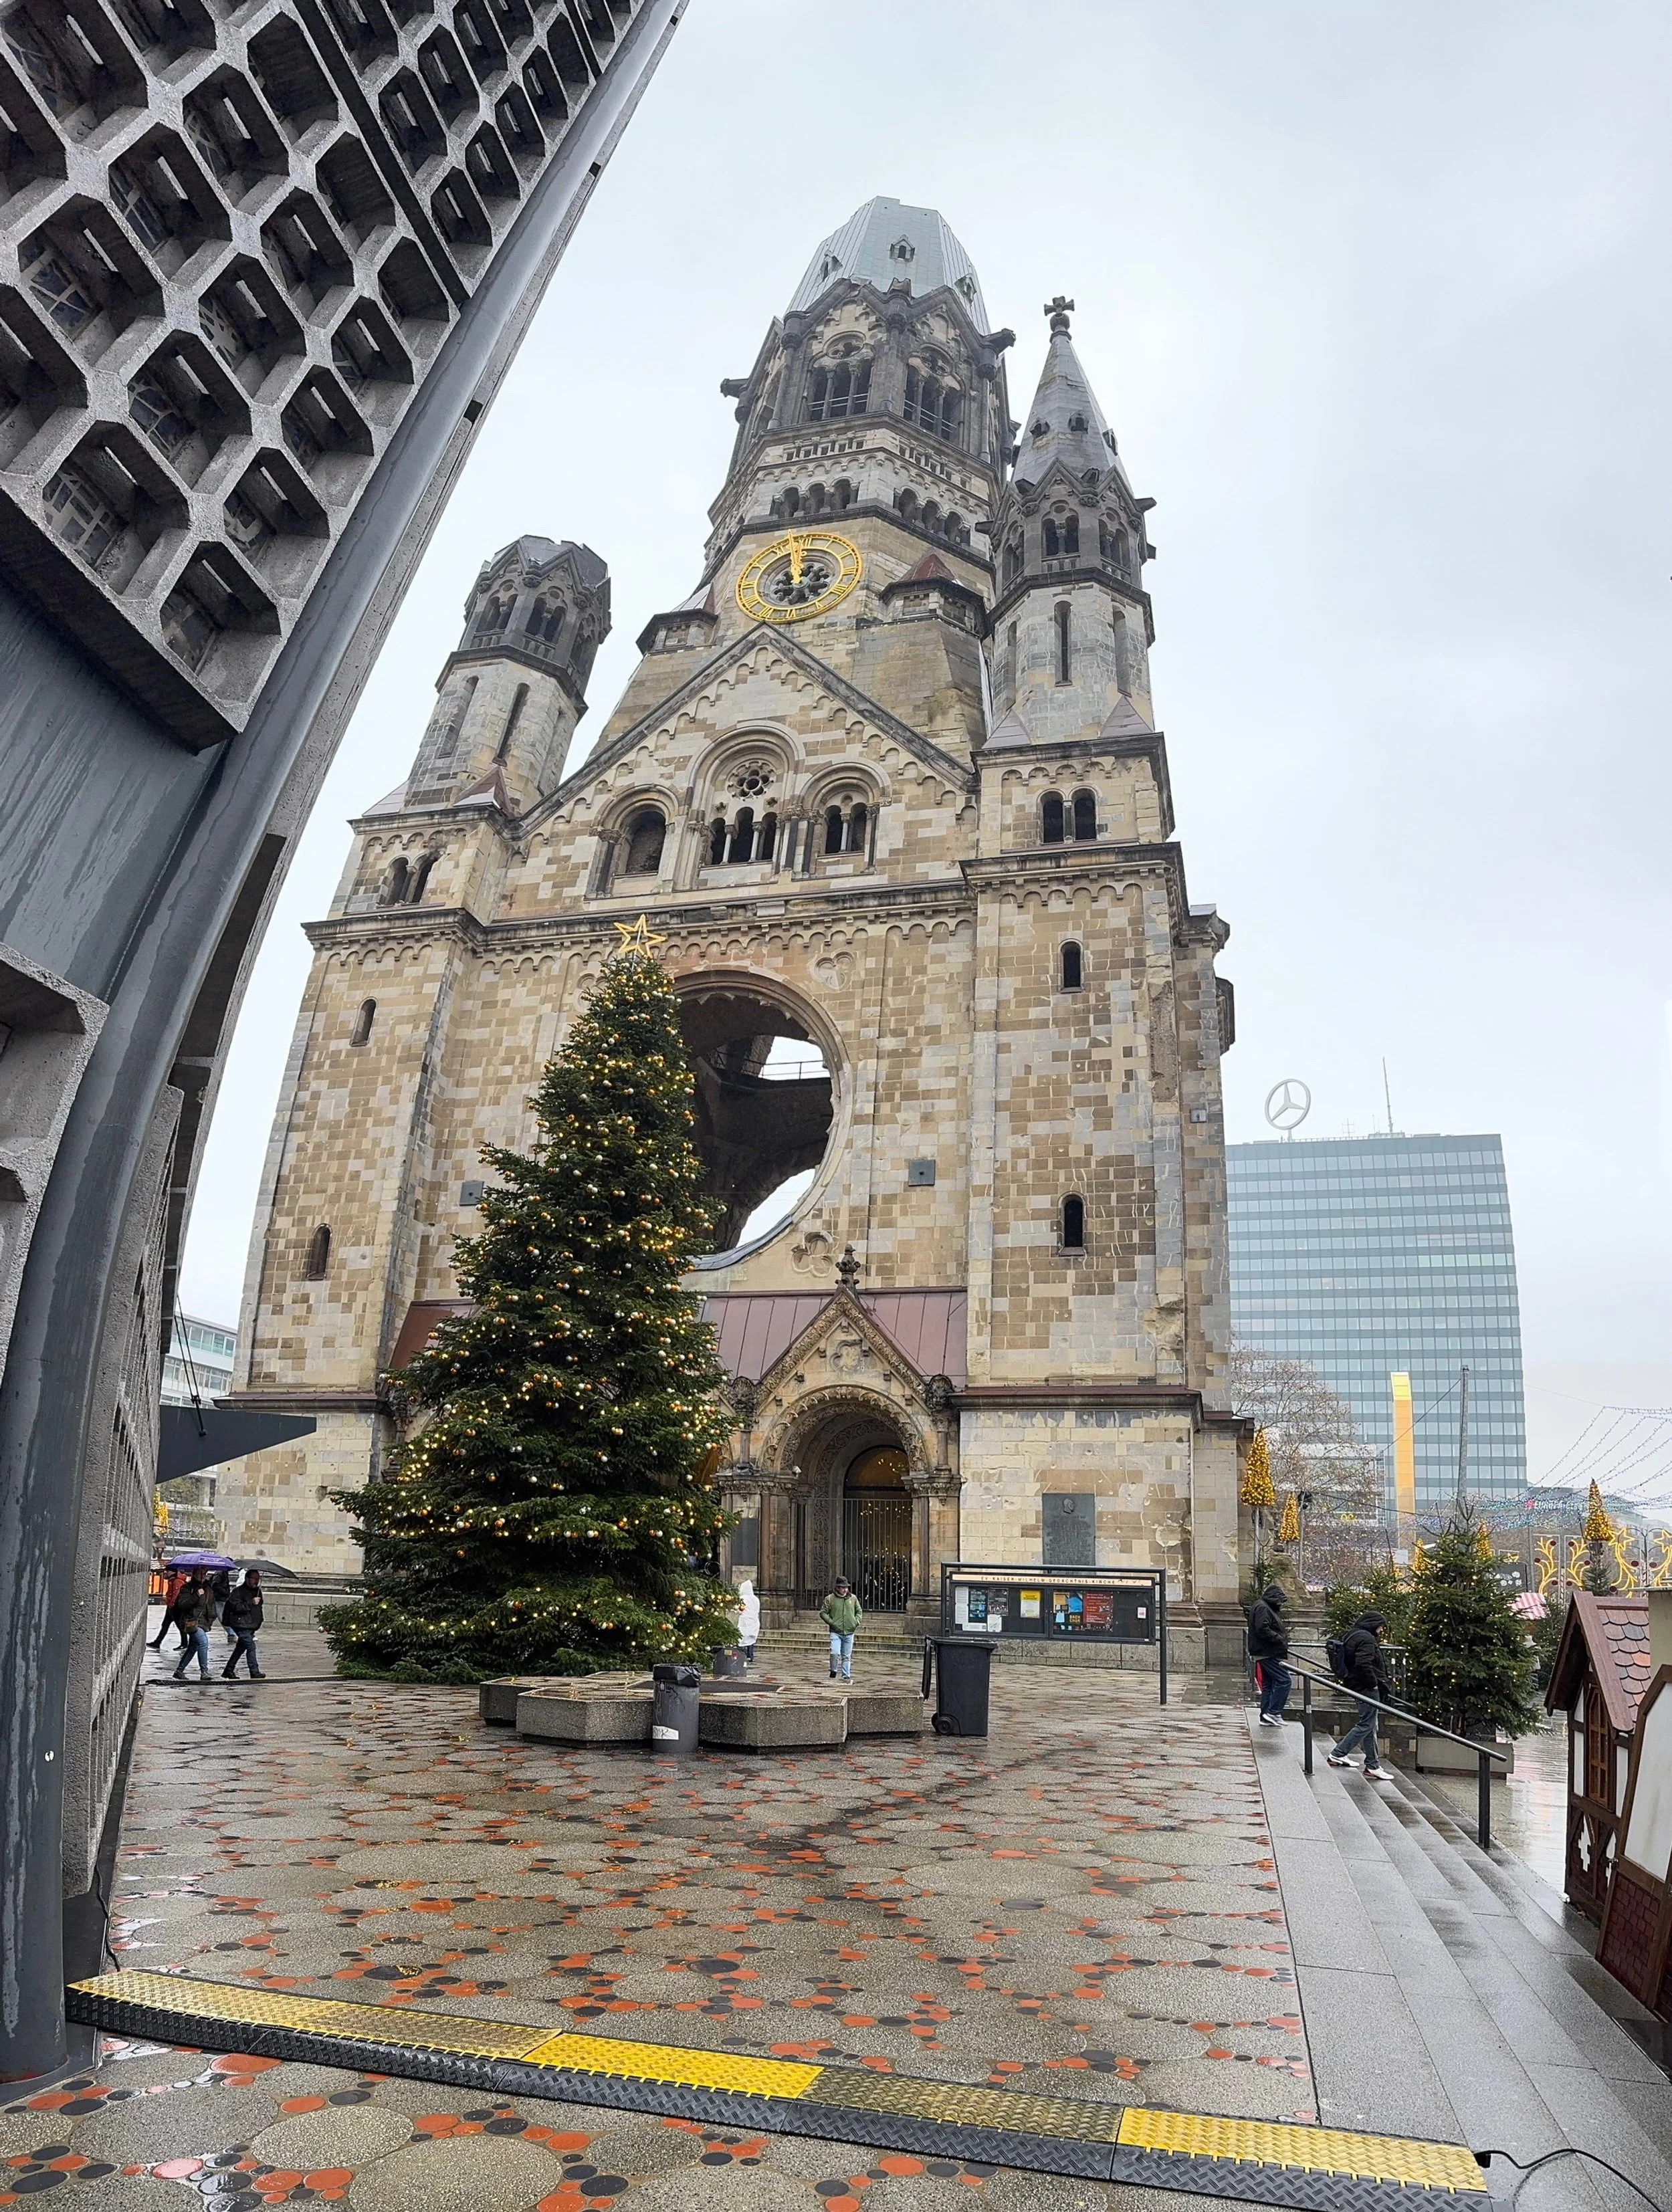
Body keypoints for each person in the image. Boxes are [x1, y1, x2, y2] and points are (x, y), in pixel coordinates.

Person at [1328, 1610, 1394, 1780]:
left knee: (1371, 1725)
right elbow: (1363, 1663)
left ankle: (1372, 1765)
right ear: (1374, 1625)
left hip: (1356, 1684)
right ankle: (1339, 1753)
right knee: (1367, 1724)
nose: (1381, 1631)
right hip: (1366, 1687)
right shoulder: (1367, 1639)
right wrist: (1374, 1683)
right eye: (1380, 1627)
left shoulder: (1353, 1634)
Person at [1246, 1583, 1291, 1727]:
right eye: (1280, 1601)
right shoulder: (1264, 1608)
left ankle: (1266, 1716)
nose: (1281, 1604)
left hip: (1265, 1651)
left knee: (1269, 1684)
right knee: (1285, 1680)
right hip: (1267, 1652)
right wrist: (1278, 1638)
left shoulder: (1264, 1606)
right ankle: (1274, 1712)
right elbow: (1262, 1628)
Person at [169, 1572, 218, 1682]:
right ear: (195, 1573)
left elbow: (211, 1605)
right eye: (200, 1573)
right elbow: (182, 1604)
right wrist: (196, 1595)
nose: (203, 1575)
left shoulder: (208, 1588)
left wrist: (212, 1617)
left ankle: (179, 1671)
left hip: (203, 1622)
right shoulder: (188, 1588)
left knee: (193, 1647)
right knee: (203, 1642)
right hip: (191, 1621)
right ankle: (204, 1672)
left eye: (205, 1573)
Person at [221, 1569, 265, 1680]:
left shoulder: (257, 1592)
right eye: (254, 1578)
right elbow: (235, 1607)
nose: (256, 1581)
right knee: (251, 1646)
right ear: (247, 1579)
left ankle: (228, 1670)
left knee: (240, 1648)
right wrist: (251, 1603)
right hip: (240, 1624)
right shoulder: (238, 1592)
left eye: (258, 1579)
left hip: (251, 1625)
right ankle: (254, 1671)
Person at [821, 1577, 862, 1681]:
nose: (845, 1590)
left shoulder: (853, 1599)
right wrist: (832, 1623)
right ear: (838, 1588)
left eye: (846, 1588)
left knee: (846, 1656)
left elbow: (859, 1611)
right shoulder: (830, 1599)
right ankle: (833, 1670)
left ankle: (846, 1676)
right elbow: (823, 1613)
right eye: (843, 1588)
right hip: (836, 1631)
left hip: (849, 1631)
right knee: (834, 1652)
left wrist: (856, 1622)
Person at [147, 1566, 192, 1652]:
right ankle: (157, 1642)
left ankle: (184, 1644)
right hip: (171, 1607)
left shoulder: (177, 1581)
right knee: (165, 1625)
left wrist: (172, 1604)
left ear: (172, 1572)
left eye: (168, 1571)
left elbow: (176, 1594)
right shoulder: (173, 1580)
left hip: (175, 1608)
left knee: (180, 1626)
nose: (166, 1573)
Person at [734, 1578, 760, 1670]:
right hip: (754, 1622)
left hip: (745, 1622)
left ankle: (743, 1655)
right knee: (751, 1639)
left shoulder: (743, 1599)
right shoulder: (756, 1599)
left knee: (742, 1638)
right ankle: (750, 1655)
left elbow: (739, 1610)